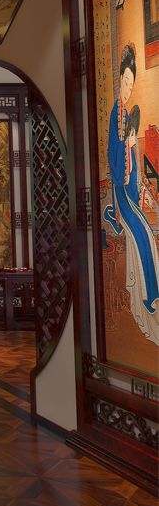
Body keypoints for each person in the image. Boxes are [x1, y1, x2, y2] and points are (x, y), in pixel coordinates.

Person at [103, 45, 159, 342]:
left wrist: (132, 142)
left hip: (130, 190)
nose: (127, 88)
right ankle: (150, 296)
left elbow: (135, 162)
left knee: (148, 231)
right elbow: (114, 158)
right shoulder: (117, 113)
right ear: (119, 82)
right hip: (121, 191)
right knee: (144, 234)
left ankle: (152, 292)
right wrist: (127, 142)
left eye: (131, 83)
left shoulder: (127, 113)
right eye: (125, 81)